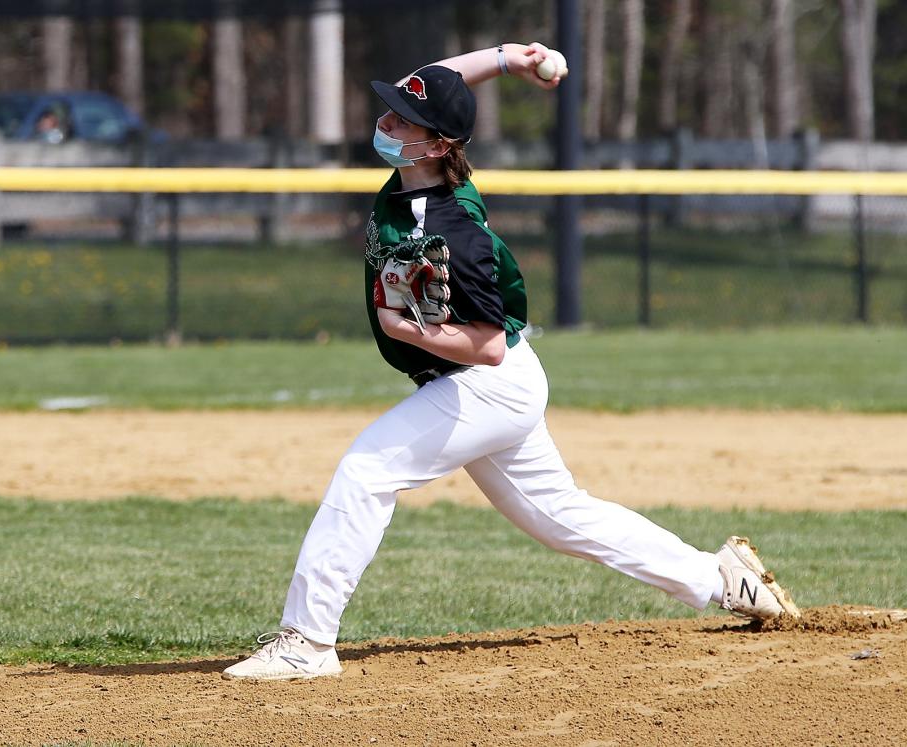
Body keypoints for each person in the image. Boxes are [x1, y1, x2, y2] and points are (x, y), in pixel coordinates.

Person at [222, 42, 798, 681]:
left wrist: (405, 329)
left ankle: (306, 643)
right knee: (562, 519)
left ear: (437, 144)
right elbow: (439, 81)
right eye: (387, 114)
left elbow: (489, 345)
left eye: (399, 121)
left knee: (366, 473)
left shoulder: (456, 231)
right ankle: (722, 580)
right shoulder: (419, 181)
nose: (384, 125)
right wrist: (505, 58)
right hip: (499, 384)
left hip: (487, 383)